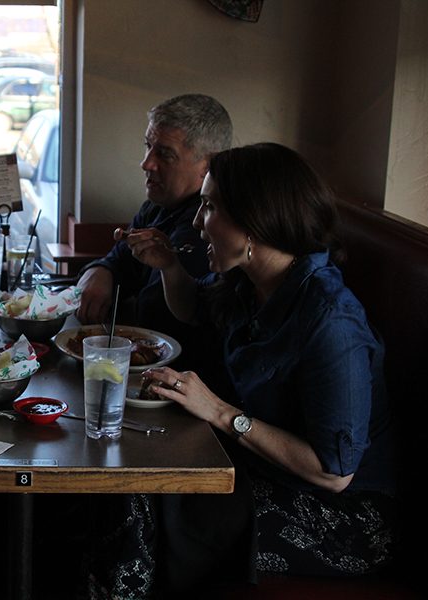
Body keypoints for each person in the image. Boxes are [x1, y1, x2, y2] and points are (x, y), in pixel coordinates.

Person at [87, 143, 396, 597]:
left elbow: (334, 472)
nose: (196, 221)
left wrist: (218, 412)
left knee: (144, 503)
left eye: (209, 207)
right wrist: (170, 266)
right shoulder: (253, 281)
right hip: (263, 470)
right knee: (129, 475)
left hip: (344, 516)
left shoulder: (331, 323)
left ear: (255, 221)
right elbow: (196, 310)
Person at [76, 94, 231, 366]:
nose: (146, 163)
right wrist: (101, 270)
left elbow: (161, 318)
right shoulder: (158, 206)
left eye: (165, 154)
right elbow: (122, 257)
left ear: (208, 165)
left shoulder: (210, 231)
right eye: (148, 146)